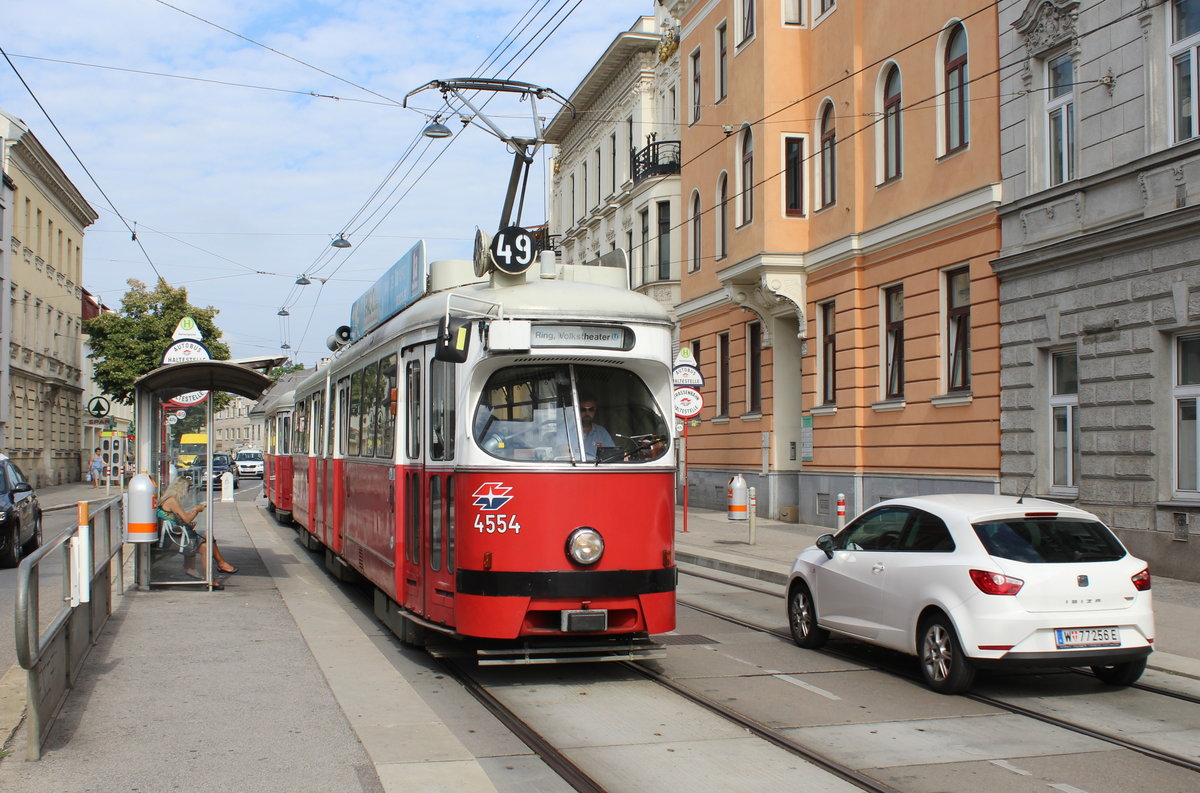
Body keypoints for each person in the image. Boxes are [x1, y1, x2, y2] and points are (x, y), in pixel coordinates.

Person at [158, 476, 238, 579]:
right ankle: (220, 564)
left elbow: (178, 520)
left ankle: (208, 577)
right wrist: (196, 509)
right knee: (207, 535)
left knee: (205, 547)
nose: (187, 493)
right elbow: (186, 519)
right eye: (187, 490)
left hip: (172, 535)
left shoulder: (167, 499)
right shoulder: (172, 500)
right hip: (172, 539)